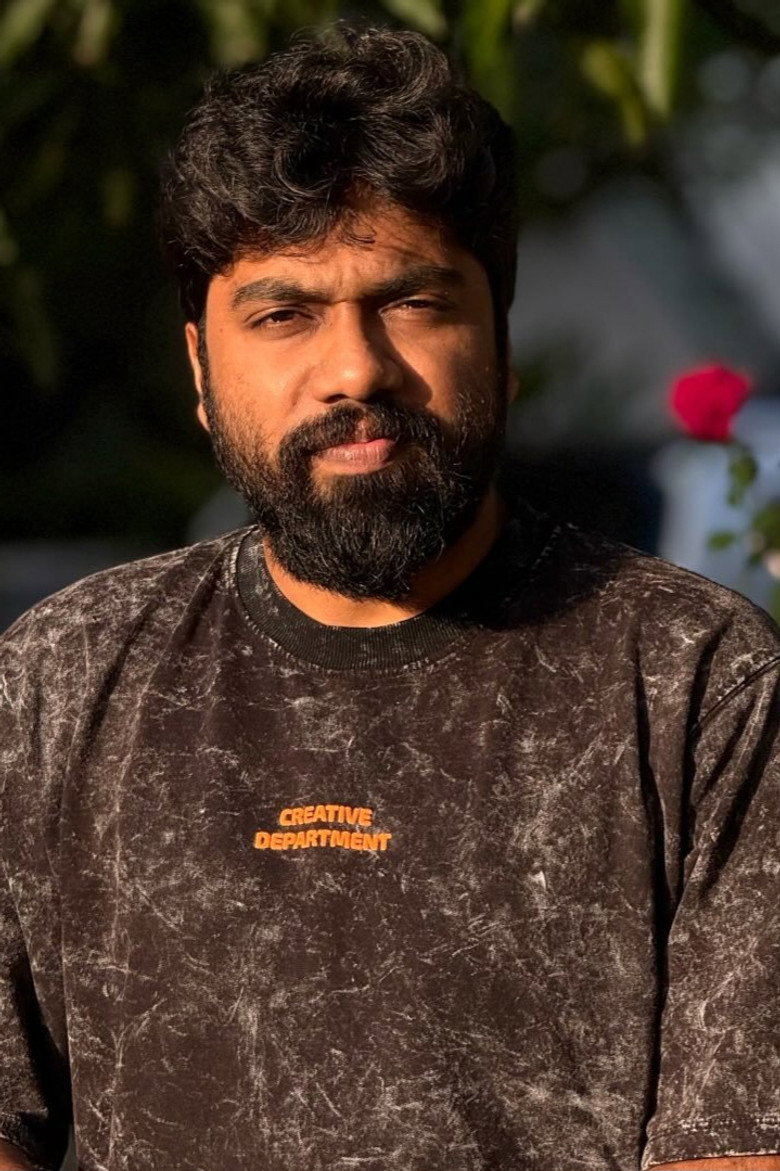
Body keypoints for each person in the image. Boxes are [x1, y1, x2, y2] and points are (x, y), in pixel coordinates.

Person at [1, 23, 779, 1171]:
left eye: (412, 301)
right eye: (284, 314)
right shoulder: (62, 678)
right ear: (202, 371)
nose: (356, 368)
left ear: (500, 342)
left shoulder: (693, 682)